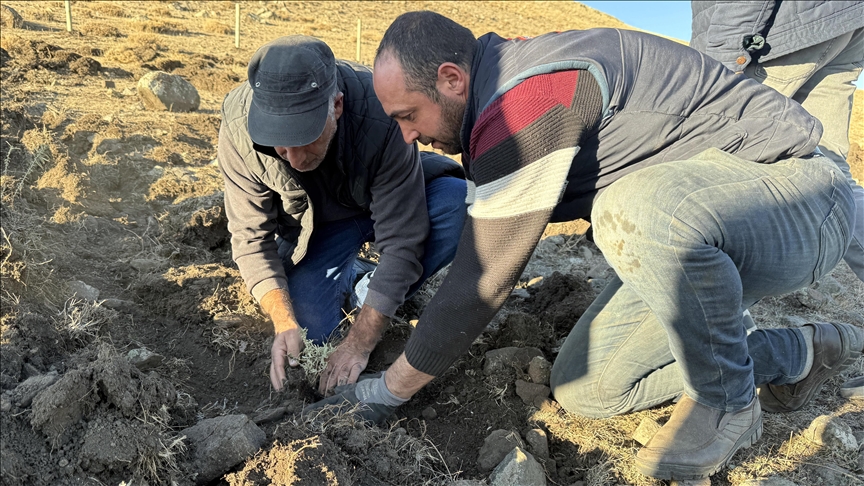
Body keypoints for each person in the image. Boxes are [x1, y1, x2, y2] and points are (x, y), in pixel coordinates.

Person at [304, 11, 863, 481]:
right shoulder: (492, 101)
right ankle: (798, 354)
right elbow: (485, 238)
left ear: (451, 79)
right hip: (694, 233)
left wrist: (387, 392)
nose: (408, 136)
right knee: (587, 390)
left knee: (628, 211)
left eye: (408, 116)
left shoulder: (528, 100)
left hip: (799, 197)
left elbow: (483, 279)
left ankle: (727, 402)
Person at [217, 35, 467, 395]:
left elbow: (404, 240)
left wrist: (359, 343)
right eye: (280, 145)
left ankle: (371, 290)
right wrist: (283, 322)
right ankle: (356, 280)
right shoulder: (239, 129)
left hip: (387, 202)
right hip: (315, 232)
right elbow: (251, 239)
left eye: (305, 139)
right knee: (310, 335)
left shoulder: (381, 109)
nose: (294, 159)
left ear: (336, 105)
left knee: (457, 203)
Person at [691, 0, 864, 283]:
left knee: (717, 158)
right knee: (833, 175)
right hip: (845, 20)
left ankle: (703, 296)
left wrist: (727, 61)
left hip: (782, 33)